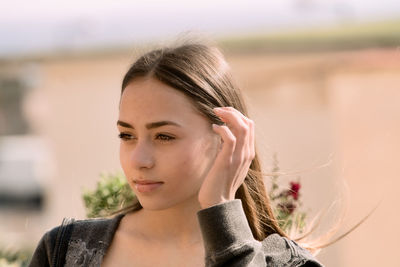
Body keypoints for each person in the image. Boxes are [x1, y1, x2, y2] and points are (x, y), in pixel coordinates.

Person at [29, 40, 325, 266]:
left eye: (164, 136)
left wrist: (223, 218)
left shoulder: (282, 262)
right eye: (127, 135)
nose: (139, 160)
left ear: (226, 139)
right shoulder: (63, 252)